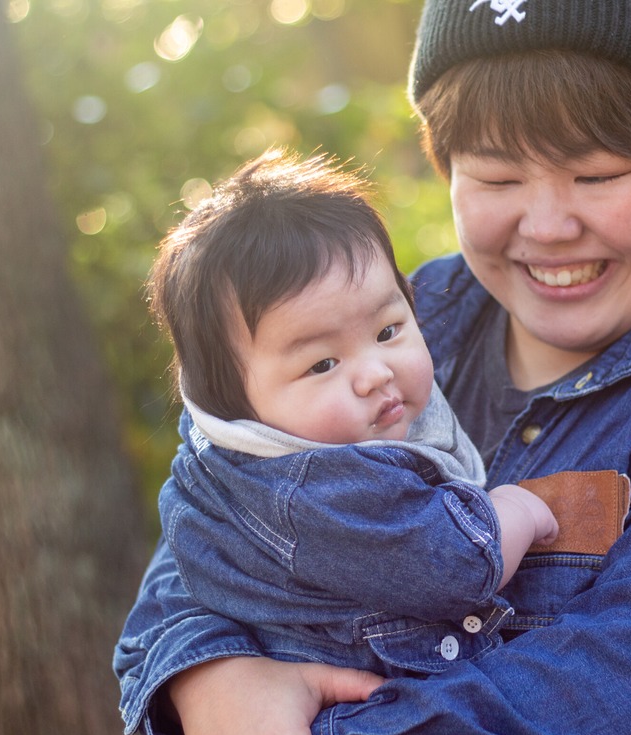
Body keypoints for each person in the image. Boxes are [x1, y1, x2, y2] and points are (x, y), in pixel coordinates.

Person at [114, 0, 631, 735]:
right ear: (443, 165)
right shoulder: (391, 328)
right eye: (498, 177)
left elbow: (630, 703)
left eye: (597, 173)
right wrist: (209, 675)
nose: (546, 225)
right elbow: (210, 521)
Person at [143, 148, 558, 680]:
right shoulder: (315, 489)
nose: (375, 374)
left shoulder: (230, 449)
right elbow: (453, 566)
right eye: (322, 364)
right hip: (366, 700)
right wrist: (514, 510)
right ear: (235, 403)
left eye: (388, 332)